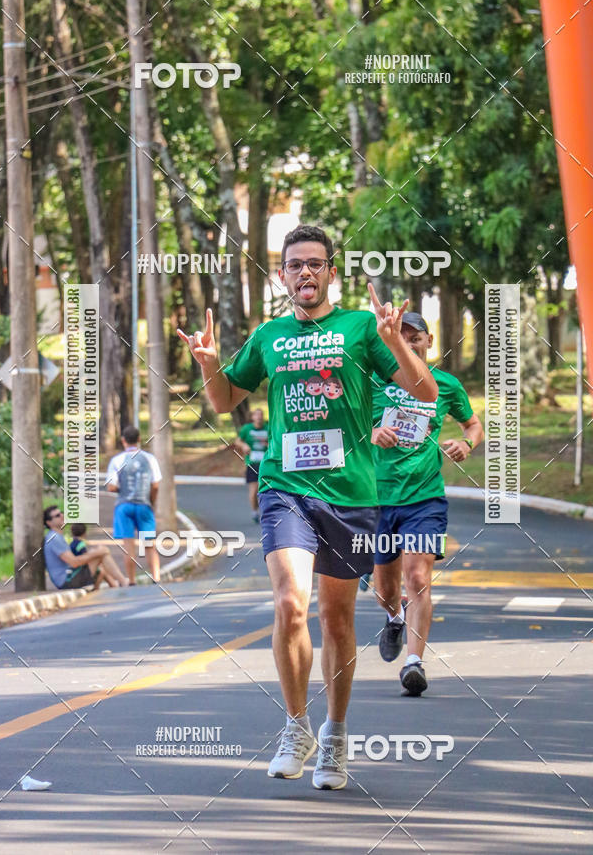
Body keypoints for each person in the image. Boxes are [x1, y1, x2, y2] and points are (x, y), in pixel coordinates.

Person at [178, 224, 438, 790]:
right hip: (285, 488)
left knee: (335, 620)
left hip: (350, 495)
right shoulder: (269, 335)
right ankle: (296, 727)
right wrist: (207, 362)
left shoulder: (361, 327)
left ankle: (335, 737)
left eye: (315, 264)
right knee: (290, 604)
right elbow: (224, 399)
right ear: (282, 276)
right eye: (294, 265)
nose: (305, 273)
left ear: (331, 273)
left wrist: (395, 341)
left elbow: (425, 393)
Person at [371, 311, 483, 696]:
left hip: (425, 498)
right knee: (383, 589)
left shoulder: (445, 385)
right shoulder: (371, 380)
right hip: (376, 500)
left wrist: (466, 443)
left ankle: (414, 663)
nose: (407, 342)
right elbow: (346, 427)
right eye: (399, 336)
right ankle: (394, 615)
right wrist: (371, 432)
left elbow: (472, 424)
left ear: (428, 341)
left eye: (414, 337)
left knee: (417, 578)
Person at [106, 426, 162, 584]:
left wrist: (122, 488)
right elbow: (156, 485)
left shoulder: (117, 460)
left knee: (128, 545)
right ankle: (156, 577)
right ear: (139, 439)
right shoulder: (149, 459)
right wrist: (152, 501)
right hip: (144, 505)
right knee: (149, 543)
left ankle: (131, 580)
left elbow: (111, 486)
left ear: (123, 440)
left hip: (124, 506)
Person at [43, 507, 129, 589]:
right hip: (66, 581)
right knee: (101, 555)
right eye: (57, 515)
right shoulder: (54, 538)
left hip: (69, 576)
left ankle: (119, 584)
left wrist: (94, 552)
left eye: (61, 513)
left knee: (101, 565)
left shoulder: (57, 536)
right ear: (49, 522)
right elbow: (74, 562)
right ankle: (123, 583)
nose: (62, 516)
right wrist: (96, 552)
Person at [234, 408, 269, 521]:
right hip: (252, 462)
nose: (259, 417)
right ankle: (254, 511)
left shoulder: (268, 428)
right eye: (257, 415)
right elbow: (237, 441)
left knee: (266, 490)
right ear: (252, 417)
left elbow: (275, 442)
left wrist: (269, 445)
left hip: (266, 463)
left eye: (261, 415)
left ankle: (266, 512)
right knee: (254, 490)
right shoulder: (247, 429)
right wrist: (244, 445)